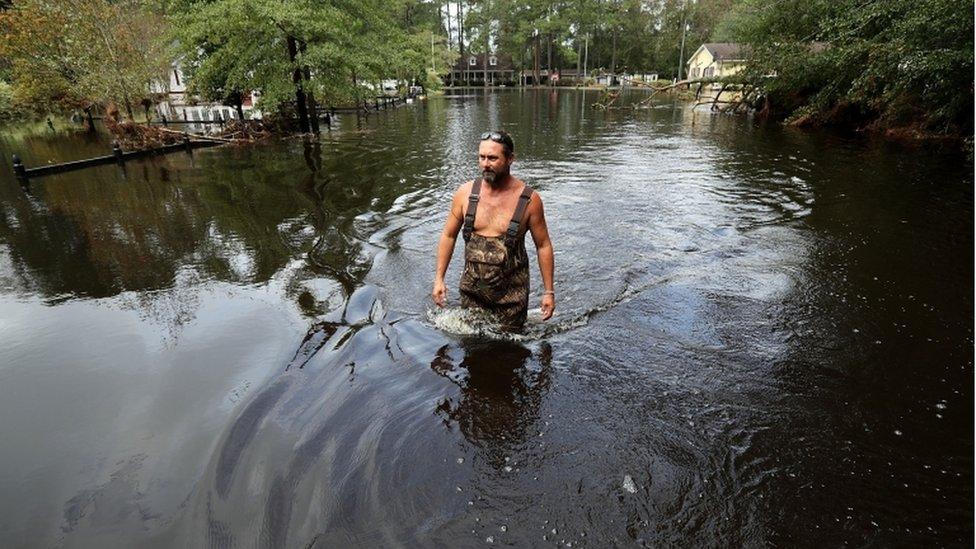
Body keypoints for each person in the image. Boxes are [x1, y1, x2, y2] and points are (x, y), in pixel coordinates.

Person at [432, 130, 555, 331]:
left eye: (493, 158)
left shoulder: (530, 200)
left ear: (510, 159)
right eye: (482, 157)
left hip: (512, 297)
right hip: (472, 292)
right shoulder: (465, 194)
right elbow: (449, 235)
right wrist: (439, 279)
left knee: (509, 352)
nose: (485, 164)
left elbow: (543, 245)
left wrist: (549, 292)